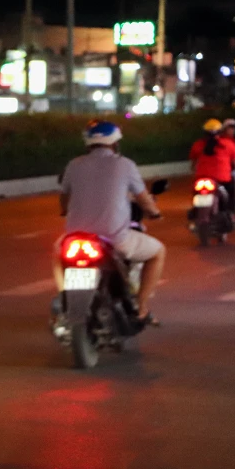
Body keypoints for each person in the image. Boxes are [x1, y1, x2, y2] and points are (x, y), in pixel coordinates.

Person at [55, 120, 165, 324]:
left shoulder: (74, 164)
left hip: (75, 239)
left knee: (58, 253)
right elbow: (142, 198)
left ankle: (65, 295)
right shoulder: (125, 164)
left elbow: (64, 197)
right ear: (115, 143)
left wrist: (64, 210)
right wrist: (154, 212)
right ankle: (141, 306)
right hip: (114, 239)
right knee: (157, 253)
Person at [190, 118, 235, 216]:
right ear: (220, 131)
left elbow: (193, 164)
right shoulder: (228, 144)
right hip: (222, 179)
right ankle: (230, 214)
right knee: (231, 194)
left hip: (201, 178)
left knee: (195, 192)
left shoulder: (197, 145)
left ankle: (195, 210)